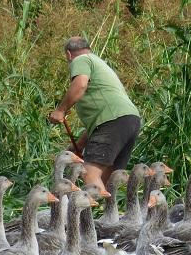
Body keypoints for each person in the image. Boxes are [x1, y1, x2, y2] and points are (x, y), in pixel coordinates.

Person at [48, 36, 141, 193]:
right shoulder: (100, 64)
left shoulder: (82, 60)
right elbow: (101, 121)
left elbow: (80, 84)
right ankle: (108, 215)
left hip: (113, 121)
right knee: (106, 180)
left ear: (69, 54)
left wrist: (60, 110)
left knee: (88, 174)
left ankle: (91, 216)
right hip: (130, 120)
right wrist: (80, 145)